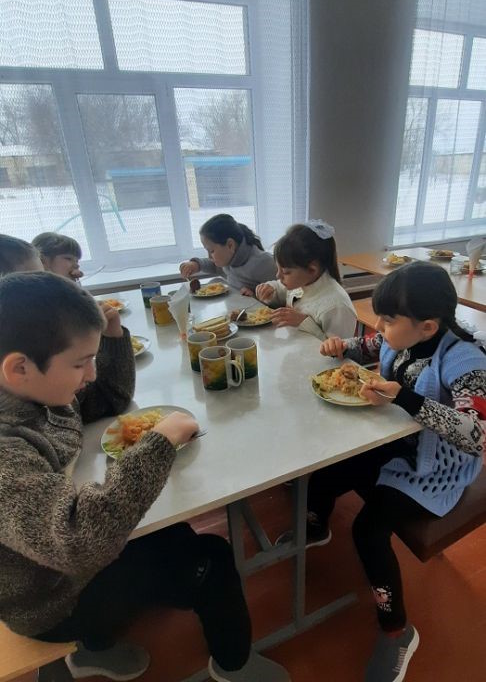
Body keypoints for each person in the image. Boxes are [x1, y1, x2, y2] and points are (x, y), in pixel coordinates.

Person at [0, 272, 290, 682]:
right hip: (52, 601)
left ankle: (96, 647)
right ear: (19, 368)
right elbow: (79, 541)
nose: (90, 374)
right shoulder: (6, 452)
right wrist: (159, 442)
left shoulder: (35, 394)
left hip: (63, 558)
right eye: (80, 363)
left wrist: (113, 337)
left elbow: (109, 399)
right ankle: (234, 667)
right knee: (212, 558)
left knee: (172, 531)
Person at [312, 261, 486, 682]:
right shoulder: (400, 338)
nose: (379, 327)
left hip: (436, 466)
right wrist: (339, 346)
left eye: (388, 320)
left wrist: (406, 398)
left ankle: (397, 630)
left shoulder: (466, 360)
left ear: (428, 327)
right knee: (327, 466)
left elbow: (477, 435)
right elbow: (366, 346)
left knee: (368, 530)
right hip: (397, 443)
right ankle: (315, 524)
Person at [255, 220, 356, 339]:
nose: (278, 276)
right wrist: (270, 289)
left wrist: (303, 322)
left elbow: (340, 348)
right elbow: (280, 288)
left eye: (286, 272)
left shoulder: (337, 307)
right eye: (278, 269)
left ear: (312, 270)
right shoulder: (302, 281)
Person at [179, 213, 277, 295]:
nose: (209, 256)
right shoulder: (228, 258)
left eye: (212, 251)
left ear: (230, 245)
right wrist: (197, 265)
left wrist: (256, 297)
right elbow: (215, 266)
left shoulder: (263, 263)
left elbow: (281, 296)